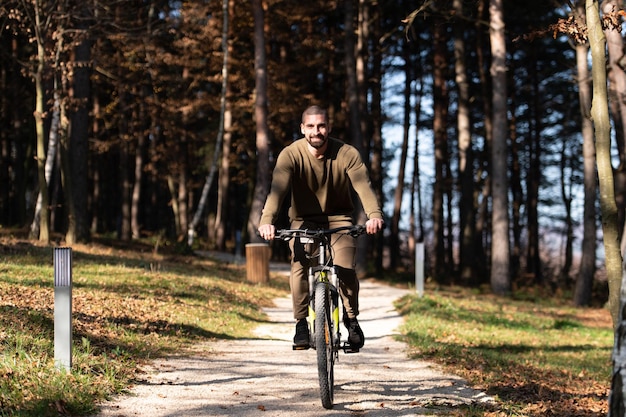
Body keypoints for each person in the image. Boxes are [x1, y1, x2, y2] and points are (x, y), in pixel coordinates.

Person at [258, 105, 384, 350]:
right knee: (299, 264)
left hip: (339, 219)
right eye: (311, 126)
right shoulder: (290, 155)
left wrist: (374, 215)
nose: (317, 131)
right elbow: (278, 190)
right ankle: (301, 323)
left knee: (346, 267)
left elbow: (363, 186)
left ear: (329, 127)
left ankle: (351, 319)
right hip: (303, 219)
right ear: (303, 129)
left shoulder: (347, 153)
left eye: (322, 125)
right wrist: (267, 220)